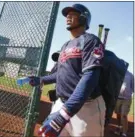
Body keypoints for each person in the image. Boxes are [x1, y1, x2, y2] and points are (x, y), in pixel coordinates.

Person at [28, 3, 106, 137]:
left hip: (87, 107)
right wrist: (41, 80)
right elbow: (60, 74)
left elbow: (90, 77)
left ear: (83, 18)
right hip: (62, 103)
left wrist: (64, 114)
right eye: (67, 15)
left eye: (72, 14)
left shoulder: (91, 40)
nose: (68, 17)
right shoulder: (65, 45)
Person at [114, 70, 134, 137]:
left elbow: (133, 88)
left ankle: (124, 133)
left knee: (124, 115)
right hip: (118, 98)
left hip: (126, 99)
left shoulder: (130, 75)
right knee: (118, 114)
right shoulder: (117, 74)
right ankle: (119, 128)